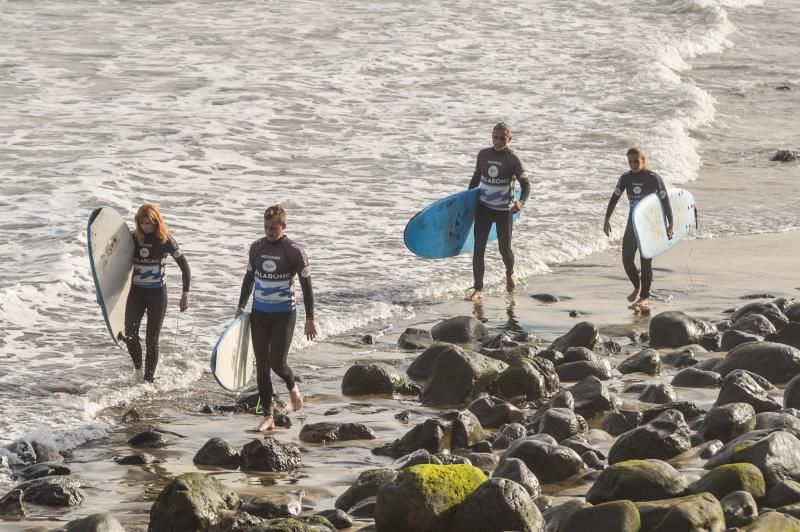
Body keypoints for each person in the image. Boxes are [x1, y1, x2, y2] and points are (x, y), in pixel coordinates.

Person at [237, 204, 317, 432]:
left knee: (277, 363)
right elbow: (249, 278)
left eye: (273, 228)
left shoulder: (294, 251)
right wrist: (240, 306)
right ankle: (268, 416)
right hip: (260, 314)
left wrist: (310, 318)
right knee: (261, 365)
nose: (269, 232)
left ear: (284, 226)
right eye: (266, 227)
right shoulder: (257, 248)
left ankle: (292, 387)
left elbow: (306, 286)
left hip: (284, 315)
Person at [123, 203, 190, 383]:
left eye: (150, 223)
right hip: (136, 292)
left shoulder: (165, 240)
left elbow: (185, 267)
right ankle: (139, 370)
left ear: (157, 222)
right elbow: (114, 267)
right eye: (143, 223)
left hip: (157, 295)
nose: (146, 227)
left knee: (151, 339)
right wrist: (103, 293)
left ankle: (148, 381)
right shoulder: (133, 238)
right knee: (130, 334)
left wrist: (185, 294)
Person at [603, 146, 674, 311]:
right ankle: (637, 286)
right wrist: (607, 219)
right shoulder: (625, 178)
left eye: (636, 161)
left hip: (650, 223)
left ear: (643, 161)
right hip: (633, 222)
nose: (633, 164)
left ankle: (644, 297)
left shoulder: (653, 178)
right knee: (626, 259)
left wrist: (670, 224)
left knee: (645, 260)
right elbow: (614, 197)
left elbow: (665, 201)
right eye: (630, 162)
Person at [468, 122, 530, 301]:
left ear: (509, 139)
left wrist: (521, 203)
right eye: (495, 137)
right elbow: (475, 180)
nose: (498, 141)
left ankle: (510, 273)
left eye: (502, 138)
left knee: (505, 250)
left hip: (504, 211)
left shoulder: (513, 159)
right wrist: (466, 205)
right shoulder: (483, 155)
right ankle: (478, 289)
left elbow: (526, 186)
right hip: (483, 209)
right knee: (478, 249)